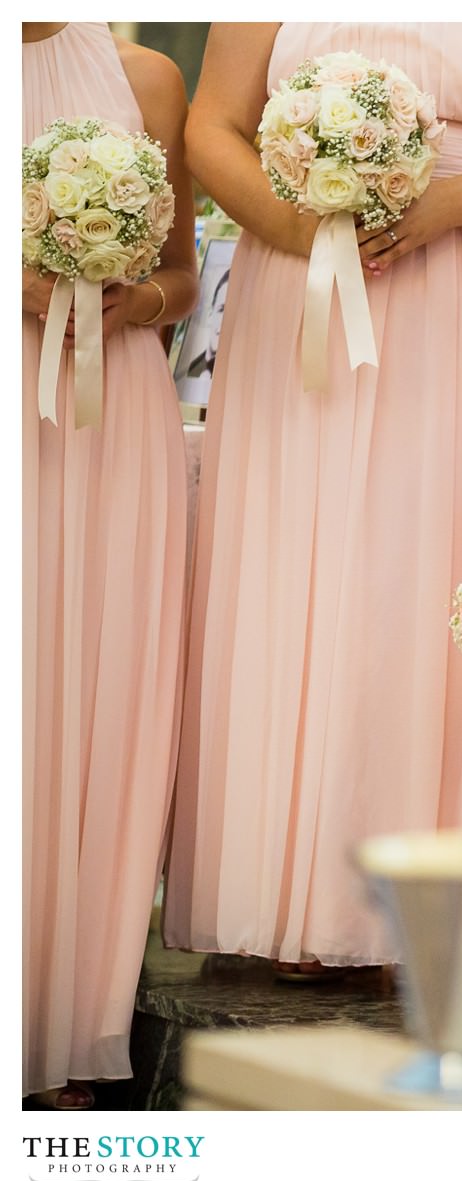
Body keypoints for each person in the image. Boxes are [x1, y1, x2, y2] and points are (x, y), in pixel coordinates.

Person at [162, 23, 462, 977]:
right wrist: (305, 229)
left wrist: (448, 207)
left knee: (435, 556)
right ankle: (288, 891)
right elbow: (213, 129)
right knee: (299, 561)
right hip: (303, 286)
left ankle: (436, 902)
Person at [23, 20, 198, 1109]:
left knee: (97, 691)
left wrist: (136, 303)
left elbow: (181, 279)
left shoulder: (145, 77)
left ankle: (70, 1023)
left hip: (110, 400)